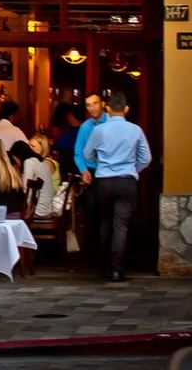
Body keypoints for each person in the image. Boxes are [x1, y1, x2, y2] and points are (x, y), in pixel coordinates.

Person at [83, 91, 151, 282]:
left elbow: (87, 154)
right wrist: (133, 169)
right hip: (126, 181)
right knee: (121, 225)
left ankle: (104, 266)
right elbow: (146, 158)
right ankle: (116, 269)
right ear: (126, 109)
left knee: (105, 222)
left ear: (107, 108)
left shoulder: (99, 130)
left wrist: (100, 162)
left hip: (104, 181)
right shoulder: (136, 130)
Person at [74, 92, 108, 262]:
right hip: (92, 173)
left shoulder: (112, 123)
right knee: (91, 213)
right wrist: (83, 170)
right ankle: (93, 255)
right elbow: (78, 152)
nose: (91, 108)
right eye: (88, 105)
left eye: (94, 103)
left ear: (102, 104)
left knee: (107, 213)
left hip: (109, 172)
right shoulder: (86, 127)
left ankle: (108, 252)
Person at [10, 140, 55, 218]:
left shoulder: (29, 162)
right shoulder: (41, 162)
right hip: (47, 208)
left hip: (37, 211)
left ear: (18, 155)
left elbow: (26, 189)